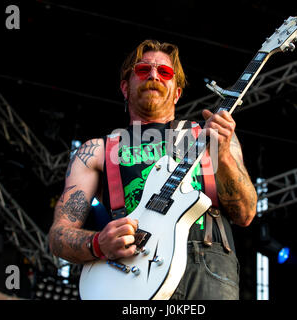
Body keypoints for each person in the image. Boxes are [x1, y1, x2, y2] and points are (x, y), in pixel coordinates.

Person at [48, 39, 257, 300]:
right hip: (133, 270)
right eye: (143, 70)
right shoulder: (98, 149)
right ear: (125, 87)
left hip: (209, 267)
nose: (154, 76)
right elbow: (59, 235)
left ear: (177, 92)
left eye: (165, 72)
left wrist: (223, 154)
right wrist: (98, 243)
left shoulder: (213, 134)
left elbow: (245, 213)